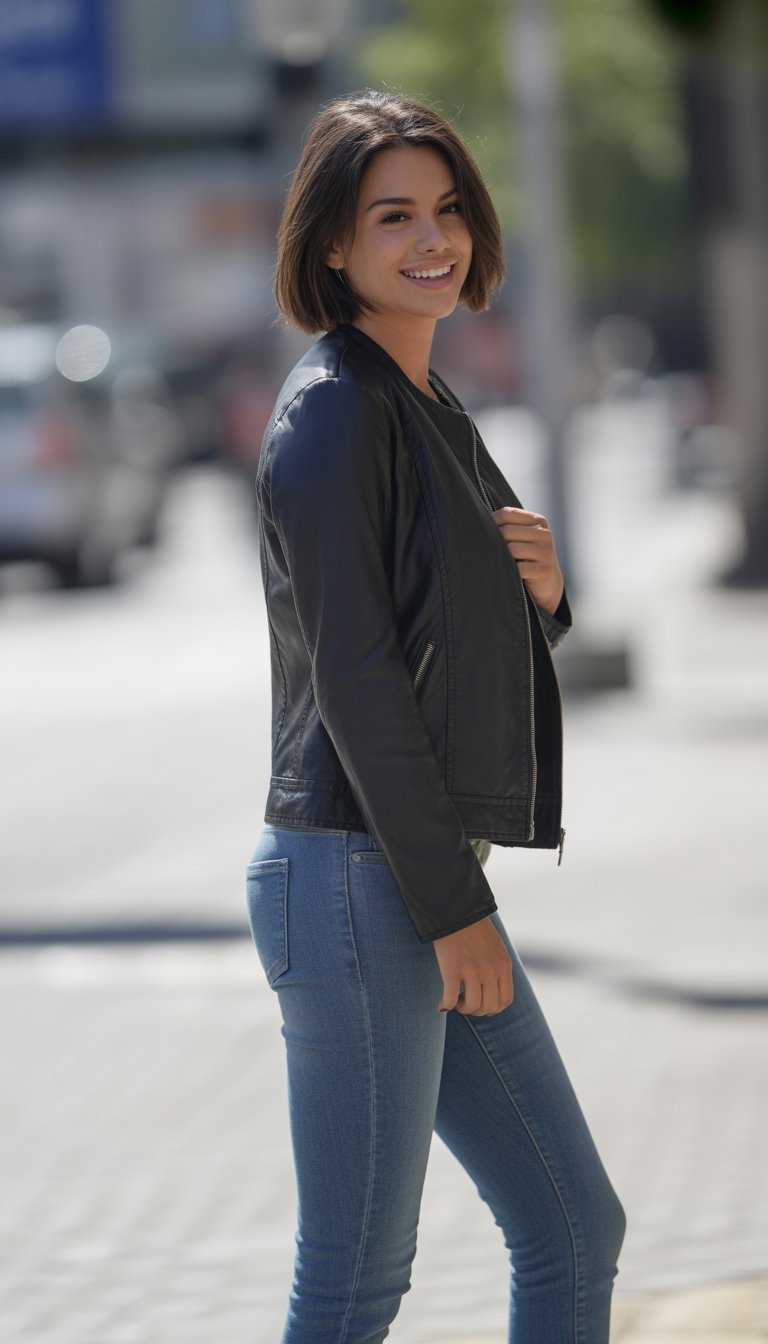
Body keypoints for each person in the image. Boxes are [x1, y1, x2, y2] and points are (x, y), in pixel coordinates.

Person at [246, 89, 625, 1344]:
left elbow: (466, 630)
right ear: (334, 247)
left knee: (575, 1223)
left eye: (449, 208)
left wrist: (551, 599)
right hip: (362, 883)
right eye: (395, 214)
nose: (434, 238)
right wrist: (455, 911)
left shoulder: (422, 401)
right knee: (355, 1281)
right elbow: (359, 687)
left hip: (408, 874)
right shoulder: (333, 419)